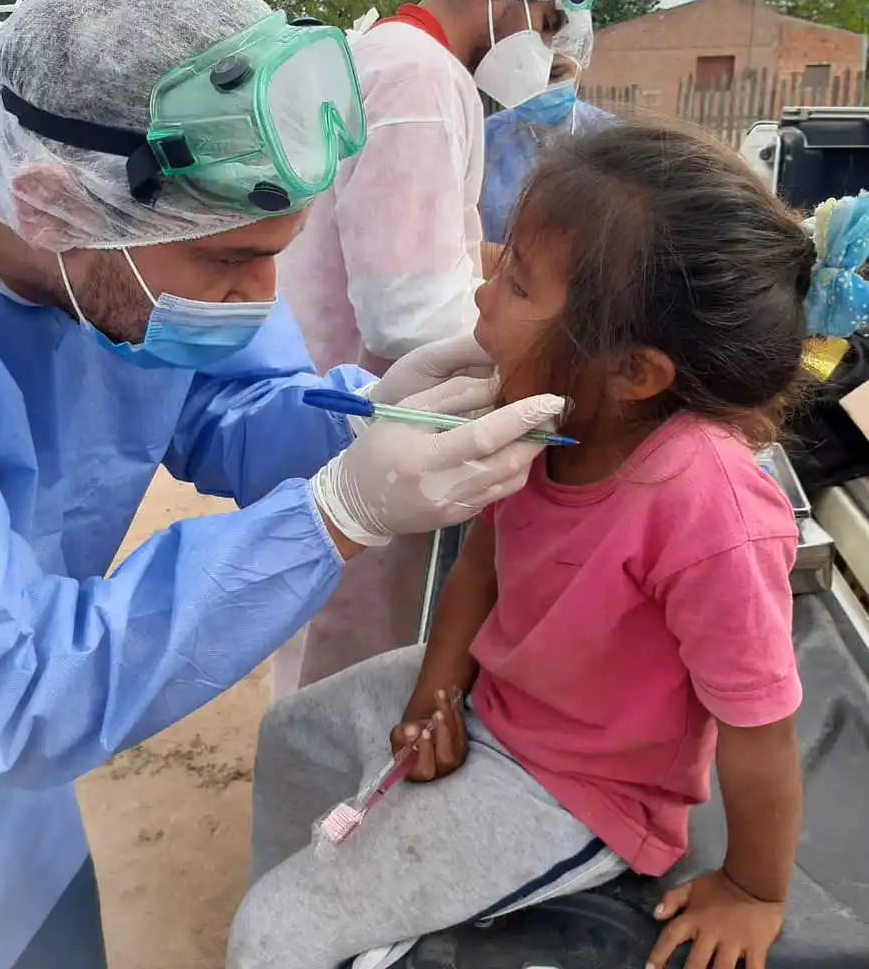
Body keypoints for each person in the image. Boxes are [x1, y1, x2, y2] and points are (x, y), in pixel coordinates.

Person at [0, 0, 564, 969]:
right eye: (229, 263)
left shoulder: (124, 240)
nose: (260, 298)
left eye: (275, 253)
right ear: (52, 206)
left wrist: (360, 416)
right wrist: (334, 513)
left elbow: (224, 398)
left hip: (18, 828)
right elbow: (6, 685)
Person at [228, 119, 861, 969]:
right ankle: (314, 875)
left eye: (517, 285)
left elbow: (757, 724)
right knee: (296, 732)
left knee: (275, 939)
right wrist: (436, 693)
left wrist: (754, 888)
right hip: (497, 703)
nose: (485, 297)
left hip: (582, 790)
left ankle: (323, 927)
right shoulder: (550, 416)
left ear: (634, 371)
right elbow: (484, 561)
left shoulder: (706, 504)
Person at [275, 0, 594, 691]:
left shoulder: (396, 60)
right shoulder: (418, 79)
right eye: (546, 20)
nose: (546, 44)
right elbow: (407, 310)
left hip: (343, 392)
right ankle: (331, 808)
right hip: (368, 411)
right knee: (349, 661)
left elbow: (425, 247)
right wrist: (553, 353)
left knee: (327, 638)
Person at [480, 40, 614, 244]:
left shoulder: (612, 138)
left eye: (554, 74)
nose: (540, 86)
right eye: (526, 75)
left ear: (579, 61)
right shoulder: (487, 137)